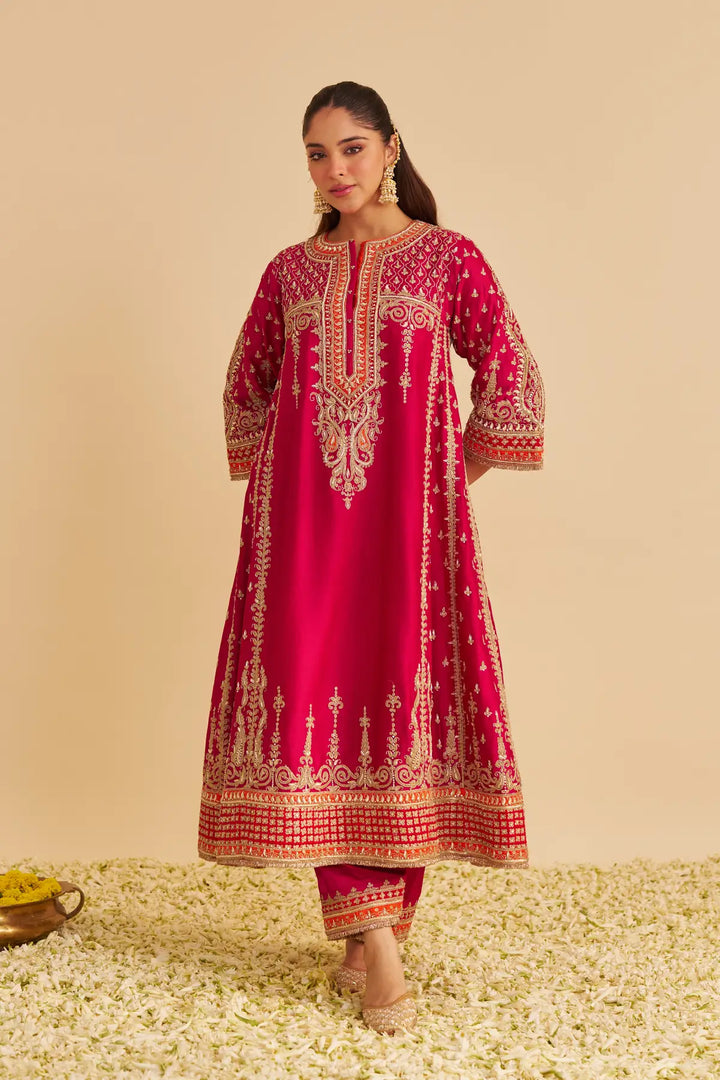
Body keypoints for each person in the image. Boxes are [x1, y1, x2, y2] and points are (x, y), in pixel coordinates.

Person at [198, 80, 545, 1035]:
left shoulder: (446, 259)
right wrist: (280, 486)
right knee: (314, 701)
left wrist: (446, 474)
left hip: (411, 536)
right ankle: (378, 945)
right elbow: (245, 386)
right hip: (303, 536)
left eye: (351, 148)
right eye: (316, 154)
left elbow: (511, 373)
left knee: (407, 702)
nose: (334, 169)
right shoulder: (289, 273)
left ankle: (369, 927)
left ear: (392, 148)